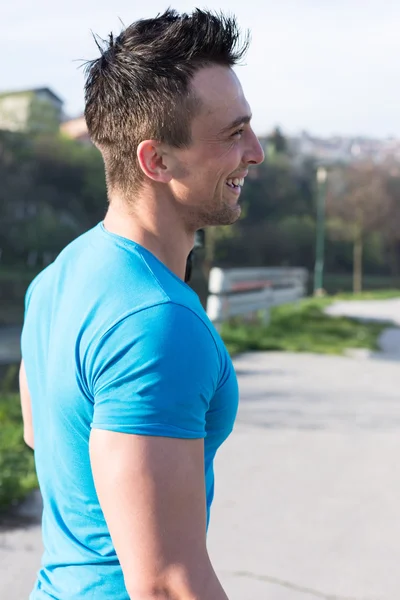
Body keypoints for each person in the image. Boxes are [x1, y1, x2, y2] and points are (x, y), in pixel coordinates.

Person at [19, 8, 264, 600]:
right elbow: (166, 584)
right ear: (157, 161)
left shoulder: (60, 275)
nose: (255, 152)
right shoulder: (157, 322)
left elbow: (39, 433)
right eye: (233, 134)